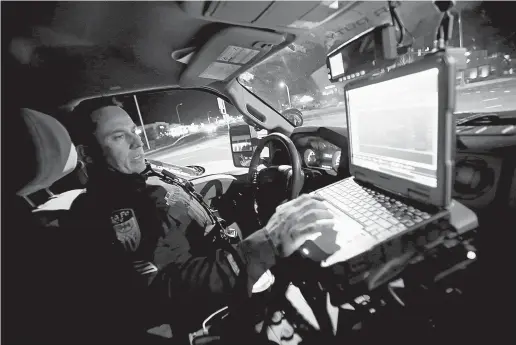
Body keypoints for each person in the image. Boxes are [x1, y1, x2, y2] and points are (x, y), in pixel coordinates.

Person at [64, 100, 336, 340]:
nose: (137, 142)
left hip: (218, 256)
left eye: (133, 131)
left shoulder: (134, 183)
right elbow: (166, 288)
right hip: (216, 307)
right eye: (118, 137)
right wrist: (267, 242)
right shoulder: (117, 210)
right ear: (87, 154)